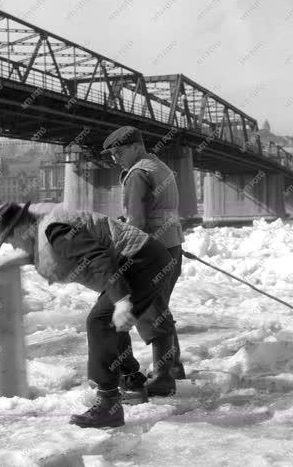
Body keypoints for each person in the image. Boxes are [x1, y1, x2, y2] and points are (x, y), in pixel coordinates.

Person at [0, 201, 176, 429]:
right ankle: (132, 382)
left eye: (10, 241)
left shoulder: (56, 231)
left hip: (141, 262)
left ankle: (108, 406)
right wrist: (24, 259)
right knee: (109, 321)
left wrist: (121, 300)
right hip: (144, 258)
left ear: (19, 230)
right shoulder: (49, 229)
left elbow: (99, 257)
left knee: (99, 322)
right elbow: (62, 253)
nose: (13, 246)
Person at [101, 126, 185, 398]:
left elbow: (137, 223)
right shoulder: (159, 167)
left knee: (151, 313)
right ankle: (173, 367)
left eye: (118, 152)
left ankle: (162, 378)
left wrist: (122, 255)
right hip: (171, 248)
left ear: (136, 147)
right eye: (112, 154)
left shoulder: (138, 174)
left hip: (150, 253)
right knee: (161, 308)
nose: (115, 158)